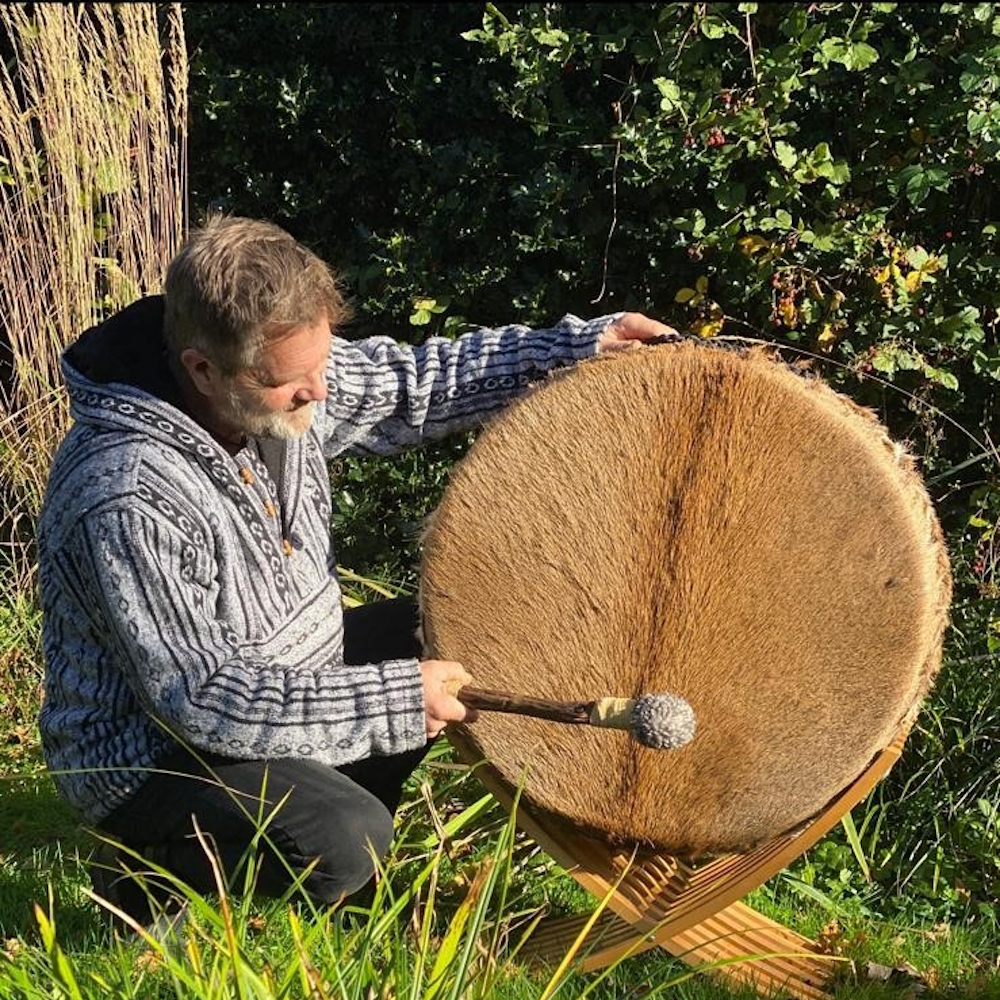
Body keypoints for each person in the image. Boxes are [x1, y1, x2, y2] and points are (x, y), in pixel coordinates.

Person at [37, 215, 678, 926]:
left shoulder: (277, 384)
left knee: (440, 630)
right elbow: (202, 698)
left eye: (322, 365)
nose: (320, 390)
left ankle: (319, 809)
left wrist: (580, 347)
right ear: (203, 368)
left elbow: (412, 385)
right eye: (294, 383)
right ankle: (146, 881)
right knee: (346, 842)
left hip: (286, 676)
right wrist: (395, 701)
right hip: (156, 754)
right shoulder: (126, 492)